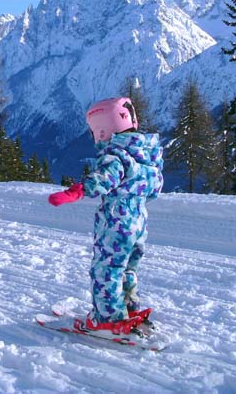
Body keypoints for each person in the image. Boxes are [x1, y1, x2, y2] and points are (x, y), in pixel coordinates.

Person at [48, 97, 164, 335]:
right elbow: (154, 189)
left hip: (116, 222)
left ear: (102, 130)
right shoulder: (148, 156)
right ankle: (129, 309)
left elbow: (105, 179)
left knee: (107, 269)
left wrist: (79, 190)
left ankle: (106, 319)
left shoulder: (116, 155)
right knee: (128, 268)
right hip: (139, 222)